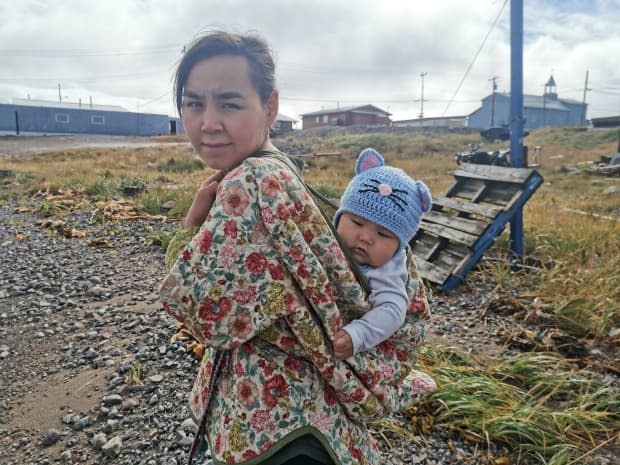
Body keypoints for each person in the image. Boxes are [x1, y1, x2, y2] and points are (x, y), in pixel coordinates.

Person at [159, 30, 436, 465]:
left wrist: (189, 227)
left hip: (277, 426)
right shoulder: (281, 167)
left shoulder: (249, 183)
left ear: (269, 106)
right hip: (309, 406)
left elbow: (199, 309)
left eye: (229, 103)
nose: (208, 122)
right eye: (194, 103)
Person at [332, 148, 432, 360]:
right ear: (339, 218)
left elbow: (393, 311)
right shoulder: (323, 238)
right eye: (357, 223)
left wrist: (359, 334)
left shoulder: (387, 270)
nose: (366, 237)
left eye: (383, 234)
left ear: (399, 246)